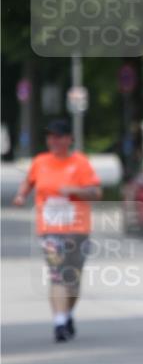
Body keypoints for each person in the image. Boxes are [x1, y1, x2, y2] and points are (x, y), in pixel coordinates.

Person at [13, 119, 102, 342]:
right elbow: (29, 182)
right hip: (50, 228)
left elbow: (96, 193)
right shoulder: (40, 162)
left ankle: (68, 313)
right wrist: (21, 195)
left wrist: (75, 190)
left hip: (77, 228)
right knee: (58, 274)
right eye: (51, 136)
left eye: (59, 136)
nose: (54, 140)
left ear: (69, 139)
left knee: (72, 278)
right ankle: (59, 323)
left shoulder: (80, 163)